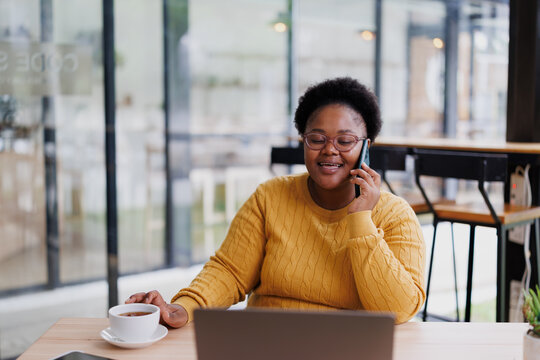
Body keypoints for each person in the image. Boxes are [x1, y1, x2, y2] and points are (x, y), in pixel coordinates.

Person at [126, 77, 426, 327]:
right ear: (303, 142)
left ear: (366, 147)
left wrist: (360, 220)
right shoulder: (270, 197)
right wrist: (182, 309)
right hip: (263, 345)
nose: (329, 150)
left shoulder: (395, 215)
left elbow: (398, 310)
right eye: (317, 139)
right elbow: (230, 272)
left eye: (345, 141)